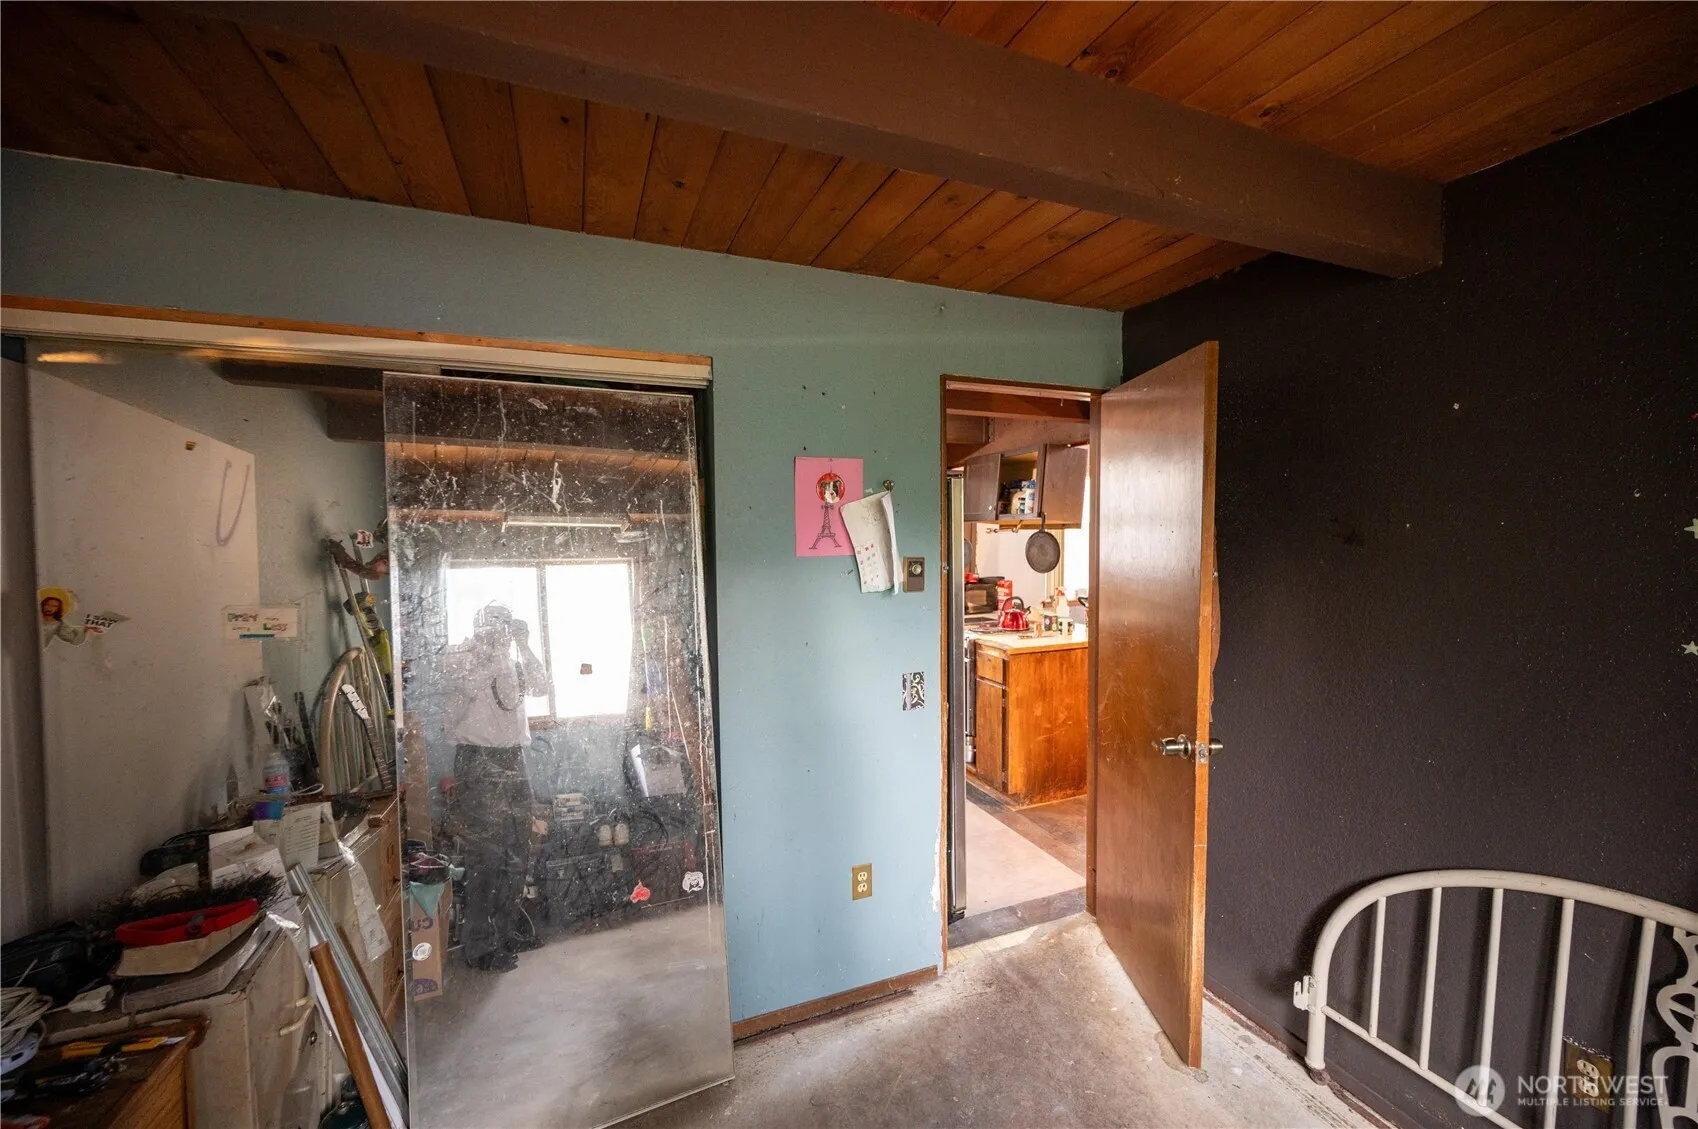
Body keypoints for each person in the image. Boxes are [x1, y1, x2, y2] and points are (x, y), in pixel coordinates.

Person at [441, 602, 549, 972]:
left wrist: (524, 644)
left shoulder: (512, 659)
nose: (500, 630)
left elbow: (541, 686)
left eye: (505, 623)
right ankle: (479, 946)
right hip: (477, 758)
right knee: (484, 856)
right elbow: (464, 692)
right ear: (479, 625)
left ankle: (505, 933)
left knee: (517, 849)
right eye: (494, 623)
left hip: (513, 757)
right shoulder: (460, 655)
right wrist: (490, 651)